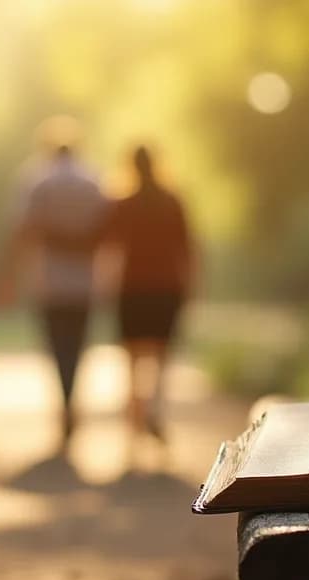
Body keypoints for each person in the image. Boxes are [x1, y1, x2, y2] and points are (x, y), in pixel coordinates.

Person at [0, 143, 109, 456]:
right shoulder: (94, 182)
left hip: (49, 282)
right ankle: (71, 402)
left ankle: (66, 403)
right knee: (77, 348)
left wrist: (7, 278)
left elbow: (21, 229)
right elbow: (107, 230)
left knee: (58, 348)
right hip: (85, 283)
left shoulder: (37, 180)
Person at [97, 145, 196, 456]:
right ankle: (154, 409)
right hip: (167, 287)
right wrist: (191, 286)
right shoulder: (172, 201)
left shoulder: (123, 203)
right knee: (161, 357)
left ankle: (135, 421)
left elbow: (108, 245)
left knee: (132, 360)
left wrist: (103, 284)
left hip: (133, 287)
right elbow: (187, 248)